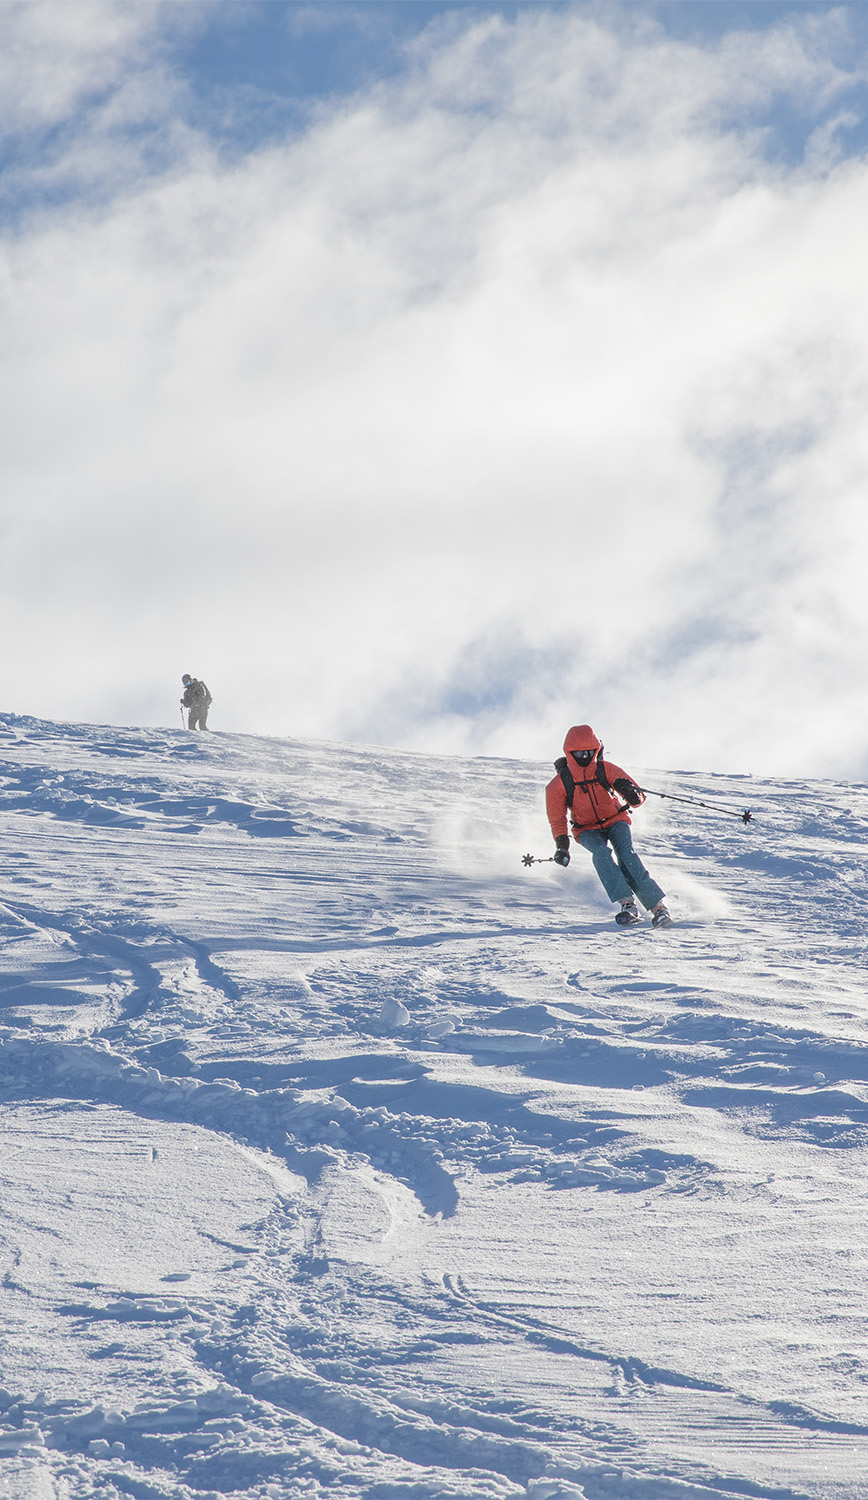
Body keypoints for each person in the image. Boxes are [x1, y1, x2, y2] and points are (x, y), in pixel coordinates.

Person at [546, 724, 671, 928]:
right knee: (601, 854)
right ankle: (627, 904)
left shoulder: (606, 769)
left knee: (627, 855)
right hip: (586, 829)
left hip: (615, 820)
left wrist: (631, 794)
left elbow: (638, 797)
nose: (584, 756)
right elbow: (557, 817)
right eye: (578, 753)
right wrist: (562, 845)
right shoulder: (559, 783)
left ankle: (658, 908)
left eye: (588, 751)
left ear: (596, 749)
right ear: (569, 753)